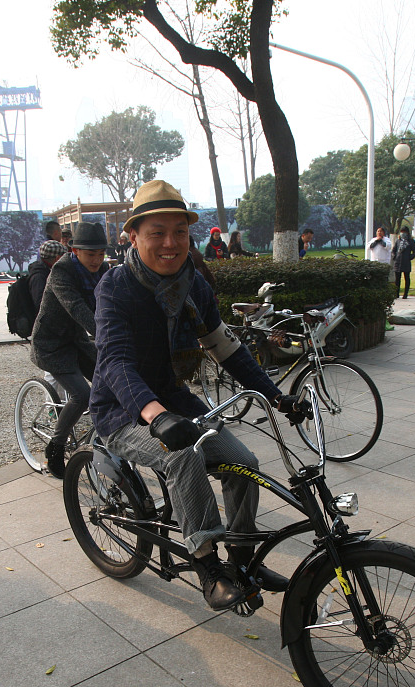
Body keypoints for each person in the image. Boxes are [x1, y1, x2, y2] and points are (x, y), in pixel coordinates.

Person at [90, 180, 309, 610]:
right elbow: (115, 362)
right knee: (183, 456)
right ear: (133, 236)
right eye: (157, 233)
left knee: (244, 463)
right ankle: (208, 565)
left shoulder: (193, 285)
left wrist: (277, 396)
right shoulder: (115, 287)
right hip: (121, 410)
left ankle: (242, 558)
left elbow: (226, 348)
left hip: (175, 401)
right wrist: (155, 415)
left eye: (180, 232)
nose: (170, 243)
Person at [30, 222, 109, 477]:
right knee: (82, 394)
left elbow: (109, 302)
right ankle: (56, 446)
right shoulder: (62, 271)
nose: (96, 260)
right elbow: (77, 308)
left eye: (101, 254)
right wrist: (105, 335)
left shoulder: (103, 270)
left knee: (113, 378)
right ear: (75, 250)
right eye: (91, 254)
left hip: (76, 340)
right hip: (51, 344)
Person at [390, 226, 415, 299]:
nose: (403, 233)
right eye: (402, 232)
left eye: (404, 232)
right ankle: (396, 293)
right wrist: (394, 256)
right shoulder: (398, 240)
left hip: (406, 262)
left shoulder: (411, 241)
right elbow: (394, 250)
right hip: (397, 262)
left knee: (407, 278)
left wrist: (409, 257)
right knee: (397, 279)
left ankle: (405, 294)